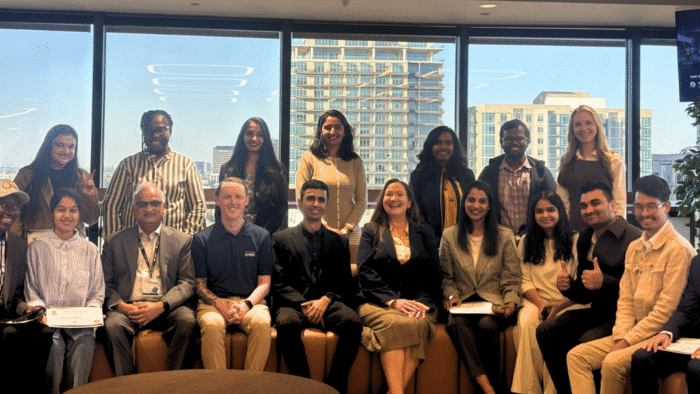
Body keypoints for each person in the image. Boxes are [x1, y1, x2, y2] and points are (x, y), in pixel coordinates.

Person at [566, 175, 695, 394]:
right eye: (638, 206)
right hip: (631, 332)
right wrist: (621, 337)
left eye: (651, 206)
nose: (644, 213)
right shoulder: (635, 247)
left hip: (659, 335)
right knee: (576, 357)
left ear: (666, 207)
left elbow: (666, 311)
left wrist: (625, 342)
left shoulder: (679, 250)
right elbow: (625, 302)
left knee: (612, 362)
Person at [536, 181, 641, 394]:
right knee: (546, 330)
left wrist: (606, 282)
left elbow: (641, 293)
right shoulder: (584, 237)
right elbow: (584, 295)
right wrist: (567, 287)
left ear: (612, 205)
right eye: (584, 206)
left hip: (625, 317)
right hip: (597, 312)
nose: (589, 210)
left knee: (584, 342)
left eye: (595, 203)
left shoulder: (634, 238)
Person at [272, 179, 362, 393]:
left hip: (328, 302)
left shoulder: (338, 240)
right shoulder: (280, 238)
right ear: (300, 202)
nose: (316, 203)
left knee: (353, 323)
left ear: (326, 204)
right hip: (293, 303)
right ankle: (306, 387)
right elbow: (277, 281)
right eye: (310, 198)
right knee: (285, 324)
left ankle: (334, 387)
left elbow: (343, 279)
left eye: (321, 199)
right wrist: (304, 304)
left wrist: (325, 300)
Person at [355, 179, 442, 394]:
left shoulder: (426, 234)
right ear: (382, 200)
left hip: (418, 303)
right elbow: (365, 270)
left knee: (418, 323)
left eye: (399, 194)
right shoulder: (371, 230)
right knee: (400, 325)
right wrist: (392, 300)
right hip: (377, 302)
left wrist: (421, 303)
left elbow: (434, 274)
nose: (393, 199)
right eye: (388, 194)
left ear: (410, 202)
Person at [102, 182, 197, 376]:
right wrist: (122, 306)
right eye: (142, 204)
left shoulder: (181, 240)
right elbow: (104, 284)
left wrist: (161, 306)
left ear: (163, 208)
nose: (148, 208)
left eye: (154, 203)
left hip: (164, 308)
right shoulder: (114, 241)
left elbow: (187, 283)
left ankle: (172, 385)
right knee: (112, 326)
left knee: (187, 321)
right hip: (128, 308)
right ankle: (127, 387)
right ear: (133, 209)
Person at [441, 180, 522, 394]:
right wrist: (451, 294)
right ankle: (489, 389)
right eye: (471, 200)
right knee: (457, 324)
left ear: (489, 206)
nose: (476, 205)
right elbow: (446, 277)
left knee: (487, 325)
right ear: (464, 203)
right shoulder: (449, 235)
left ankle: (487, 388)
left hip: (493, 304)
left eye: (482, 201)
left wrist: (511, 301)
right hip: (463, 303)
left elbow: (512, 278)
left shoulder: (504, 236)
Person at [25, 187, 105, 394]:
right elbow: (32, 289)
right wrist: (40, 312)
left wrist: (92, 313)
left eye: (73, 210)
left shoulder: (90, 250)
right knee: (53, 345)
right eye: (61, 210)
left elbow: (96, 292)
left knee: (86, 341)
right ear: (52, 213)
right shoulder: (37, 248)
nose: (67, 216)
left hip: (81, 321)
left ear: (80, 215)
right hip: (48, 321)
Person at [511, 192, 587, 394]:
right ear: (533, 215)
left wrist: (558, 306)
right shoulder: (526, 241)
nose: (545, 215)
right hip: (535, 300)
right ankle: (527, 390)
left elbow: (579, 286)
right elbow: (524, 280)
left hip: (569, 302)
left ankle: (552, 390)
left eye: (550, 209)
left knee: (554, 329)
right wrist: (541, 304)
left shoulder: (575, 240)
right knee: (527, 323)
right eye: (539, 211)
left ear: (560, 211)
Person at [193, 177, 272, 371]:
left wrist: (245, 305)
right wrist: (219, 303)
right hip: (213, 303)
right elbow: (199, 285)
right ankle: (220, 389)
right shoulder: (201, 239)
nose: (233, 202)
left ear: (247, 201)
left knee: (262, 323)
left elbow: (264, 284)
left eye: (238, 197)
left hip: (250, 303)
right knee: (211, 326)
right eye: (227, 197)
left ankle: (250, 387)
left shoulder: (261, 237)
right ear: (217, 200)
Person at [103, 109, 206, 238]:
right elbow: (111, 206)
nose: (155, 135)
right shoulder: (128, 165)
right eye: (149, 131)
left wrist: (186, 241)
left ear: (170, 131)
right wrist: (117, 243)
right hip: (133, 246)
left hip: (174, 247)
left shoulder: (186, 165)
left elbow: (198, 206)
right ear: (143, 133)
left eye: (160, 130)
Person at [0, 179, 53, 394]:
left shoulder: (18, 245)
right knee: (10, 335)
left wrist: (27, 309)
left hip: (5, 316)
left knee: (45, 332)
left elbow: (16, 295)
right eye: (4, 204)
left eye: (14, 207)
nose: (10, 211)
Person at [12, 124, 99, 239]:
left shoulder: (82, 177)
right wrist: (17, 243)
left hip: (73, 244)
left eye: (71, 146)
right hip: (37, 242)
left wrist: (89, 197)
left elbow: (91, 220)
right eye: (60, 145)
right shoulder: (27, 174)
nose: (66, 151)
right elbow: (14, 212)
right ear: (49, 146)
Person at [631, 255, 700, 393]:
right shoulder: (698, 262)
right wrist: (667, 332)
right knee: (642, 357)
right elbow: (687, 310)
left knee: (696, 368)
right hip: (694, 341)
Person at [478, 120, 556, 236]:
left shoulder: (541, 172)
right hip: (499, 242)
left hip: (534, 240)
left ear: (528, 141)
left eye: (519, 138)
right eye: (508, 139)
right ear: (501, 142)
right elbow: (478, 205)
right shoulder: (490, 172)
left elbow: (554, 207)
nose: (514, 142)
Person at [296, 109, 367, 237]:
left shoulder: (356, 161)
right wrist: (324, 227)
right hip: (317, 231)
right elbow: (301, 198)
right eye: (328, 127)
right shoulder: (309, 159)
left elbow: (361, 201)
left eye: (338, 127)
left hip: (350, 234)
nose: (332, 132)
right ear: (320, 131)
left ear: (344, 131)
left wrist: (347, 228)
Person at [557, 105, 626, 231]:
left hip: (604, 234)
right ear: (572, 129)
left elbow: (619, 202)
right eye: (577, 124)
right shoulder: (566, 162)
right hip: (573, 232)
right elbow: (562, 203)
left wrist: (617, 234)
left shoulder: (614, 161)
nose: (583, 128)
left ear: (597, 126)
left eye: (588, 123)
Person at [219, 117, 287, 234]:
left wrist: (261, 235)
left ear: (265, 138)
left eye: (260, 134)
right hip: (231, 234)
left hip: (265, 236)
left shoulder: (277, 170)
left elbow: (280, 210)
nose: (254, 138)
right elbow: (220, 207)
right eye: (249, 134)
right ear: (242, 137)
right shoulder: (227, 169)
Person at [410, 125, 475, 243]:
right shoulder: (418, 176)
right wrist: (432, 240)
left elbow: (473, 208)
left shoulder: (467, 175)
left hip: (463, 242)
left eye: (448, 143)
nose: (443, 147)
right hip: (429, 244)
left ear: (454, 147)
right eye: (438, 143)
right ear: (430, 146)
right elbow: (416, 212)